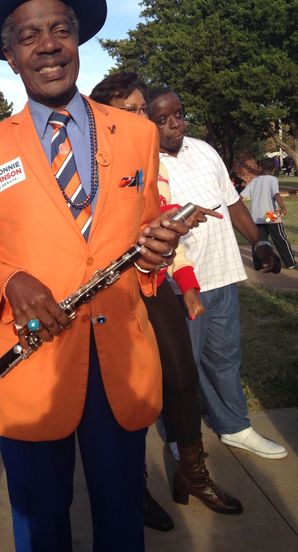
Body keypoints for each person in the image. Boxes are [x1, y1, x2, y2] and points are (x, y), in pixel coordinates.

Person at [0, 0, 199, 552]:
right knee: (40, 522)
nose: (48, 46)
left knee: (121, 517)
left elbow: (143, 238)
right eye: (29, 36)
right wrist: (10, 282)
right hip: (33, 367)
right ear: (10, 55)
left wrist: (155, 254)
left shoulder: (135, 134)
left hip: (121, 364)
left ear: (79, 37)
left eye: (59, 29)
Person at [90, 72, 242, 529]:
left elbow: (165, 242)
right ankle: (132, 487)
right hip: (109, 293)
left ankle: (191, 473)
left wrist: (189, 287)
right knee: (129, 388)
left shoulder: (150, 168)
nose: (143, 119)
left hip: (155, 285)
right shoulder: (91, 165)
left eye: (143, 110)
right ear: (106, 115)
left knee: (181, 374)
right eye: (132, 111)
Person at [147, 86, 287, 460]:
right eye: (163, 120)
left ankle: (235, 426)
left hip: (222, 272)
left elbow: (231, 203)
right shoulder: (145, 163)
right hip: (179, 284)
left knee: (225, 357)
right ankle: (179, 436)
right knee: (180, 369)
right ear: (147, 124)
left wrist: (259, 241)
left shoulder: (204, 150)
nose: (175, 124)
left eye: (178, 114)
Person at [241, 157, 296, 269]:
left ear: (260, 168)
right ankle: (290, 263)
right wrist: (283, 207)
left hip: (256, 217)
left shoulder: (254, 181)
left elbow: (241, 196)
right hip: (270, 215)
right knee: (280, 239)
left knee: (258, 241)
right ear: (274, 168)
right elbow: (276, 194)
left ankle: (259, 264)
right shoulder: (272, 179)